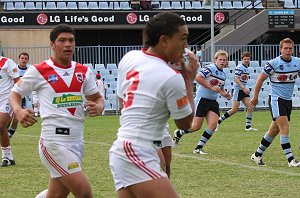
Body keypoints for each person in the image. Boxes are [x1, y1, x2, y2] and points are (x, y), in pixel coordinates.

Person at [109, 12, 199, 197]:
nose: (186, 46)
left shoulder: (130, 57)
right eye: (182, 39)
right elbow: (186, 124)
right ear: (164, 41)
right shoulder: (170, 77)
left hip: (127, 146)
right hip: (136, 149)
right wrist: (188, 80)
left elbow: (122, 99)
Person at [9, 24, 104, 197]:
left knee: (56, 195)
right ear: (52, 44)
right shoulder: (38, 70)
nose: (68, 44)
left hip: (77, 141)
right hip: (53, 142)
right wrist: (18, 110)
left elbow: (97, 98)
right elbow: (15, 93)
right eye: (62, 40)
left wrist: (98, 106)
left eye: (71, 40)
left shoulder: (84, 71)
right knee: (84, 192)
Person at [249, 38, 300, 167]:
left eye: (290, 48)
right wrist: (255, 97)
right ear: (280, 49)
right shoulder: (273, 63)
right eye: (285, 48)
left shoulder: (297, 62)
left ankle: (257, 154)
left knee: (273, 131)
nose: (288, 51)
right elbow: (259, 80)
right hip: (277, 100)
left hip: (288, 101)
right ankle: (291, 160)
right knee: (285, 127)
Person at [173, 50, 231, 154]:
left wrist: (226, 94)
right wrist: (211, 87)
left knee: (213, 125)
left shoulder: (223, 74)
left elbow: (220, 89)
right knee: (196, 127)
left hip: (213, 101)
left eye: (224, 60)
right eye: (220, 59)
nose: (222, 61)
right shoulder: (210, 68)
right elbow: (198, 78)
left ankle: (198, 148)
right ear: (215, 60)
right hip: (202, 100)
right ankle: (179, 133)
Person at [217, 52, 258, 131]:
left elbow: (243, 79)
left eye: (248, 59)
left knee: (250, 107)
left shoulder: (246, 67)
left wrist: (245, 88)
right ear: (242, 59)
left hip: (243, 90)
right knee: (234, 110)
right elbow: (236, 79)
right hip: (237, 90)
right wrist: (243, 88)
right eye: (245, 59)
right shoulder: (240, 67)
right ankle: (218, 121)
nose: (246, 60)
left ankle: (248, 127)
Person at [0, 55, 19, 167]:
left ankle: (5, 156)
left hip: (6, 99)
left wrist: (18, 100)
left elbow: (18, 81)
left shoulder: (7, 62)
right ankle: (10, 157)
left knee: (1, 125)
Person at [8, 52, 32, 138]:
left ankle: (9, 136)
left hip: (23, 95)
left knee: (16, 118)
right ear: (19, 59)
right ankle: (4, 132)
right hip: (12, 94)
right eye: (22, 58)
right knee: (8, 117)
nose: (24, 60)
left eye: (26, 58)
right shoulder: (14, 69)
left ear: (28, 60)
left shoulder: (30, 69)